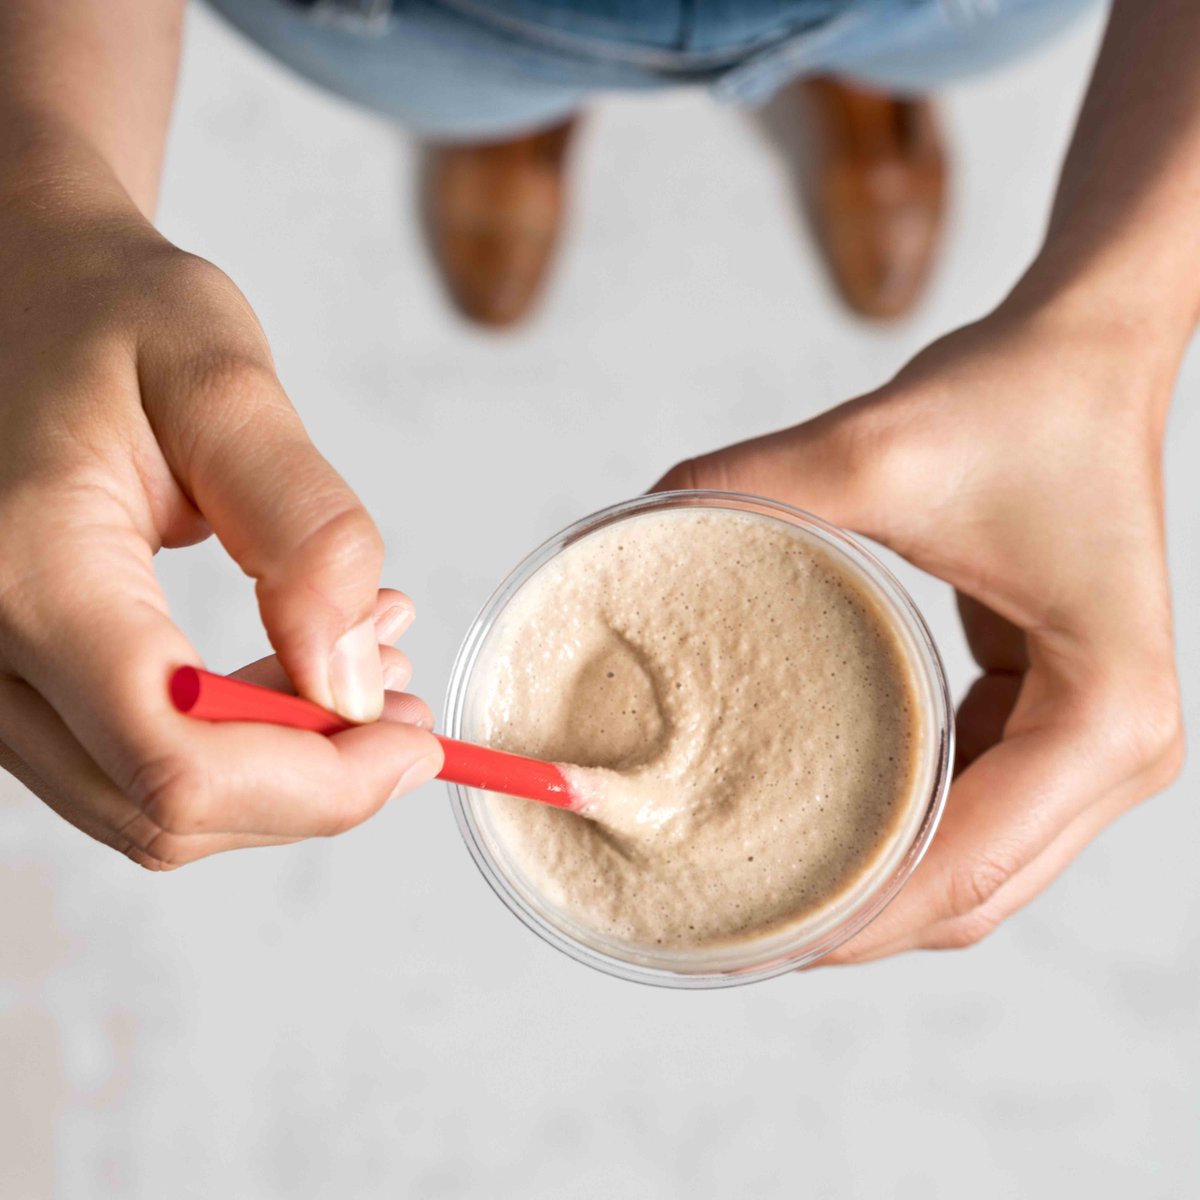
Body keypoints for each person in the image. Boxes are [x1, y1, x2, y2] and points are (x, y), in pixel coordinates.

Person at [0, 0, 1189, 965]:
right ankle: (515, 113)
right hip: (415, 21)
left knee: (894, 31)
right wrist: (43, 202)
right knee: (468, 76)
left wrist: (1123, 313)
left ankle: (857, 92)